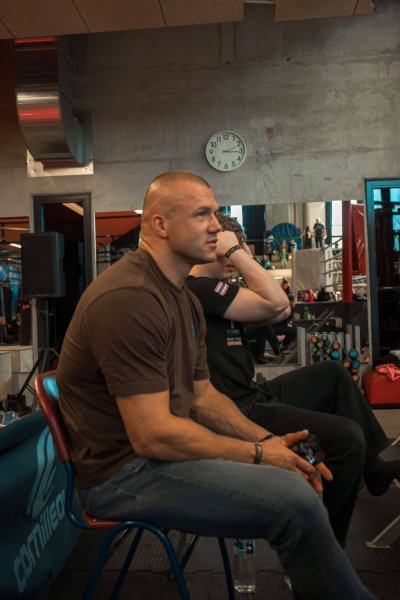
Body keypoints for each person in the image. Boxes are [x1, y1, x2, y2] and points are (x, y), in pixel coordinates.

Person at [57, 172, 378, 600]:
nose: (216, 227)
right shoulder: (129, 297)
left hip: (153, 457)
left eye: (216, 213)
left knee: (297, 484)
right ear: (160, 225)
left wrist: (268, 442)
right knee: (295, 500)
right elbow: (152, 434)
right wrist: (259, 455)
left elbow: (204, 397)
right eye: (202, 215)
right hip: (119, 475)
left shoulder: (183, 297)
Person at [188, 212, 399, 535]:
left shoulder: (217, 290)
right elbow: (276, 301)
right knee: (347, 438)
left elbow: (282, 309)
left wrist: (236, 252)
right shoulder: (200, 289)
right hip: (238, 410)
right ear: (213, 245)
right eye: (230, 250)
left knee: (332, 374)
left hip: (254, 393)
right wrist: (236, 252)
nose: (234, 260)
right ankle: (325, 547)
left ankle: (374, 470)